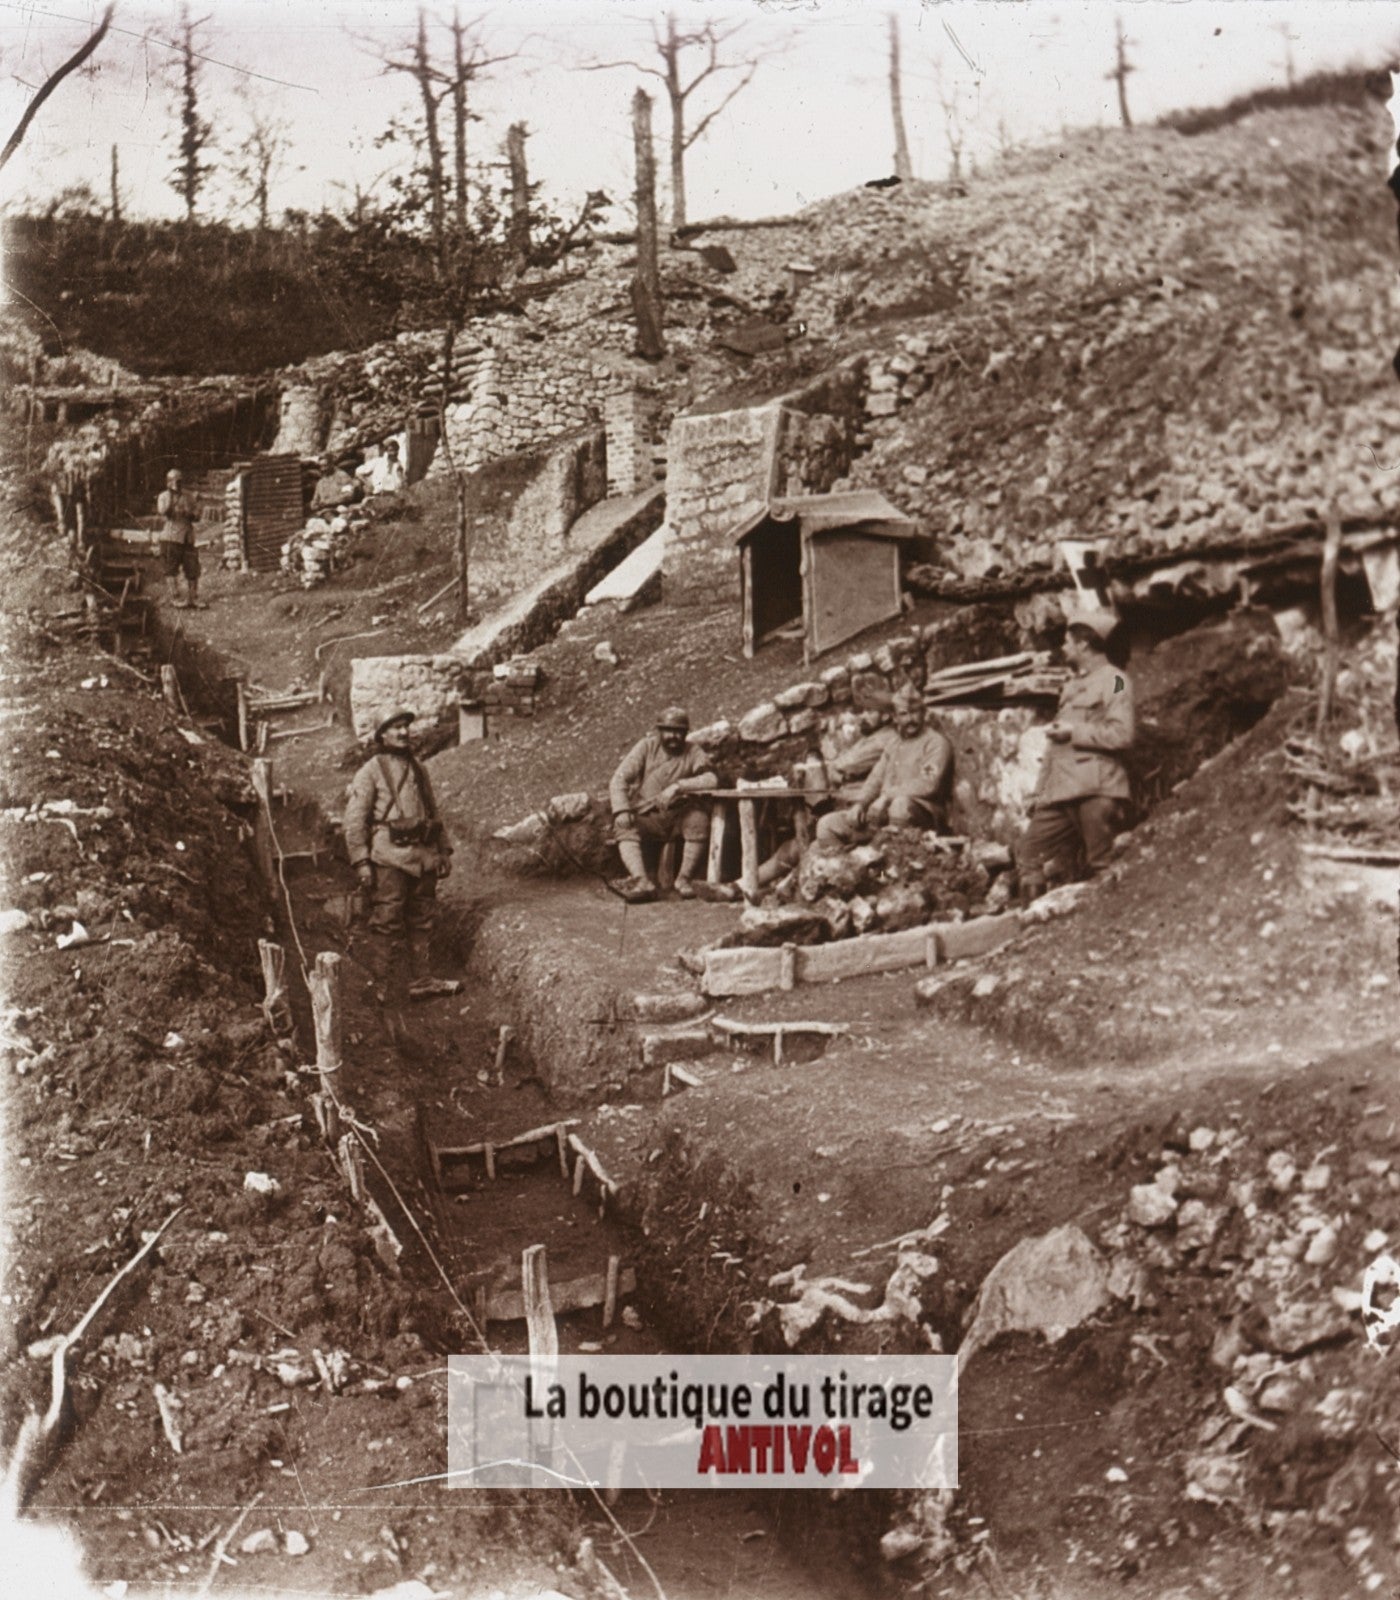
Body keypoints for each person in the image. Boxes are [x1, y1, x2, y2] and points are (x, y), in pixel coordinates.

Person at [344, 711, 453, 1028]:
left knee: (422, 918)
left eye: (406, 726)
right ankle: (381, 985)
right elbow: (354, 820)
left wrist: (443, 850)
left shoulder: (419, 769)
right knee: (387, 920)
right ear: (382, 735)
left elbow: (433, 812)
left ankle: (422, 980)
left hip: (423, 858)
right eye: (396, 728)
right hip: (388, 857)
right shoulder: (369, 772)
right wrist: (361, 861)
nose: (404, 732)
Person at [1016, 618, 1135, 902]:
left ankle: (1111, 920)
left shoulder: (1116, 680)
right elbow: (1054, 748)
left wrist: (1075, 731)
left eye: (1068, 641)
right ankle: (1032, 933)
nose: (1063, 647)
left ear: (1083, 644)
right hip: (1060, 793)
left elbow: (1122, 734)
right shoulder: (1072, 686)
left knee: (1102, 862)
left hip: (1096, 789)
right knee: (1029, 855)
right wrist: (1038, 793)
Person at [814, 684, 953, 849]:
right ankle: (852, 866)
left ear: (924, 713)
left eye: (915, 712)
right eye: (904, 714)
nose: (910, 719)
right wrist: (861, 803)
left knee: (900, 806)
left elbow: (929, 784)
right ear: (895, 717)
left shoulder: (935, 743)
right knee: (826, 825)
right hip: (883, 815)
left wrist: (887, 797)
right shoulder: (894, 744)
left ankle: (898, 860)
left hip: (921, 815)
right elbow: (876, 778)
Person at [609, 707, 718, 900]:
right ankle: (641, 881)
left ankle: (684, 879)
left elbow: (711, 779)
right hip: (648, 816)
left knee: (698, 819)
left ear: (685, 733)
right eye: (669, 730)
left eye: (679, 731)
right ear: (659, 731)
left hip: (679, 815)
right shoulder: (646, 747)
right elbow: (619, 779)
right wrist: (622, 810)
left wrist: (678, 786)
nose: (674, 736)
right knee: (624, 825)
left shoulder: (692, 751)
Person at [157, 468, 204, 608]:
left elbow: (196, 516)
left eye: (179, 481)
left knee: (193, 569)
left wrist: (195, 508)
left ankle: (192, 598)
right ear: (168, 482)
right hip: (170, 537)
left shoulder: (188, 496)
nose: (177, 484)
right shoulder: (163, 496)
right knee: (170, 569)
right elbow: (164, 512)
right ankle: (174, 598)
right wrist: (172, 497)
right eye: (173, 481)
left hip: (187, 537)